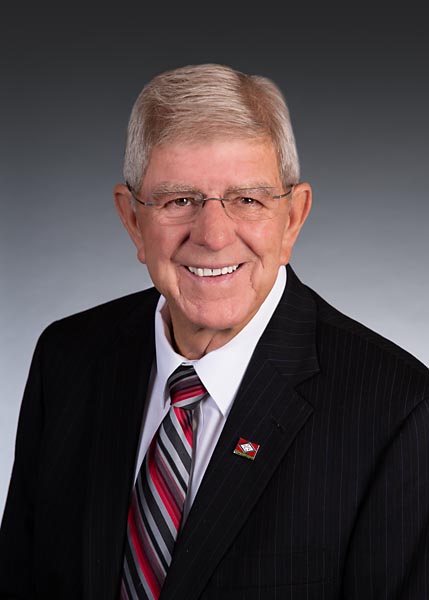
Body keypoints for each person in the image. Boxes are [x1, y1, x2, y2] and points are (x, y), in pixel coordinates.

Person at [0, 63, 428, 600]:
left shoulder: (398, 410)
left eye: (247, 199)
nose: (213, 235)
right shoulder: (67, 359)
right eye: (180, 200)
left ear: (292, 218)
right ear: (132, 220)